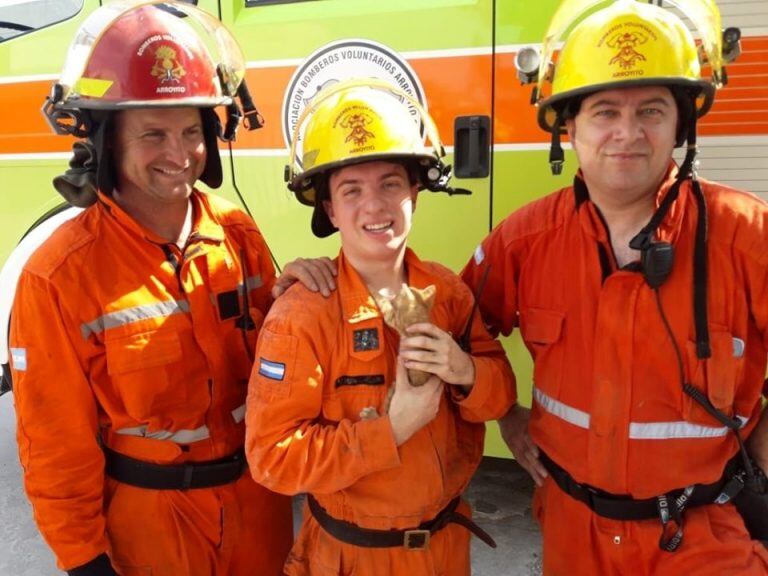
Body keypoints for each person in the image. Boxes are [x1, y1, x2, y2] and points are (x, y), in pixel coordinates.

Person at [8, 2, 331, 574]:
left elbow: (274, 370)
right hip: (151, 528)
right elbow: (56, 444)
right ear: (108, 143)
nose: (178, 155)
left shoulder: (235, 231)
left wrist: (295, 303)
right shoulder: (58, 276)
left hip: (259, 508)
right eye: (153, 134)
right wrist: (84, 559)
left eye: (191, 131)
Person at [461, 0, 768, 573]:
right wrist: (507, 412)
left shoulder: (746, 237)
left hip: (705, 539)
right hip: (572, 534)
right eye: (605, 111)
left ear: (682, 124)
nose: (628, 134)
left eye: (651, 110)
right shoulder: (524, 240)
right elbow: (458, 331)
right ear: (568, 126)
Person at [244, 80, 516, 576]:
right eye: (351, 189)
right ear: (329, 209)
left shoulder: (449, 294)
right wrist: (390, 431)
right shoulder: (303, 315)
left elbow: (498, 400)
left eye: (391, 183)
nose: (374, 205)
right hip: (350, 558)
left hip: (444, 550)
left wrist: (465, 370)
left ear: (416, 192)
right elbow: (271, 459)